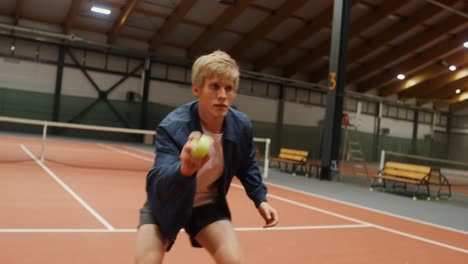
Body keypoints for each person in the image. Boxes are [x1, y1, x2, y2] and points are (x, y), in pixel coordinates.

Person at [135, 50, 279, 264]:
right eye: (214, 86)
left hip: (207, 205)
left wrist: (260, 199)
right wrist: (184, 169)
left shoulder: (241, 126)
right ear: (197, 89)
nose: (223, 95)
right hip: (166, 204)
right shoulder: (172, 126)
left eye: (229, 88)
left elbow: (247, 165)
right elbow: (157, 181)